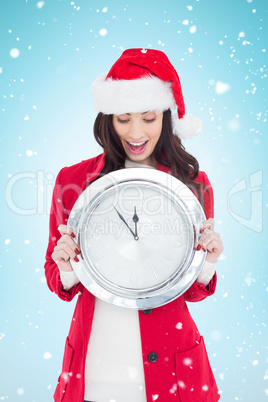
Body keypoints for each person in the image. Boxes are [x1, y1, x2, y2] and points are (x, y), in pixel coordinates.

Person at [44, 48, 224, 402]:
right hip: (96, 366)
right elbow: (55, 275)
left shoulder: (193, 183)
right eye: (123, 119)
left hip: (172, 367)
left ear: (166, 118)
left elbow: (191, 291)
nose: (136, 131)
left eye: (148, 117)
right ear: (108, 119)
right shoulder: (74, 181)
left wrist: (209, 262)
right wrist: (67, 267)